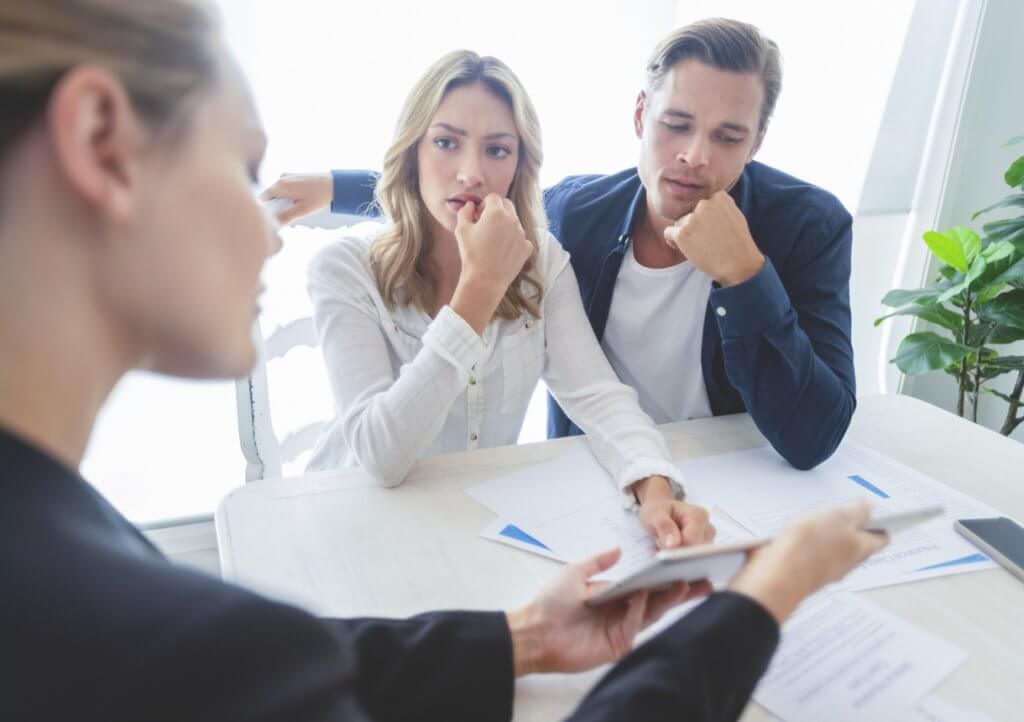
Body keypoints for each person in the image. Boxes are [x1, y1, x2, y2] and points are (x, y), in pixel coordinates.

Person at [0, 2, 887, 720]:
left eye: (727, 136)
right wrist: (760, 601)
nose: (266, 227)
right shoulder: (158, 626)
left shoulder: (89, 557)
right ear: (98, 139)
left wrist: (532, 632)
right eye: (245, 167)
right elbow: (363, 489)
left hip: (511, 556)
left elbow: (598, 388)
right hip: (377, 531)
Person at [270, 18, 856, 472]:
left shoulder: (809, 227)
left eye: (728, 136)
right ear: (640, 115)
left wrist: (747, 275)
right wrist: (334, 187)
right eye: (677, 124)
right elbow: (469, 191)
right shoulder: (579, 213)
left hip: (734, 478)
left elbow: (814, 438)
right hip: (595, 477)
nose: (695, 155)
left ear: (757, 142)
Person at [291, 49, 711, 550]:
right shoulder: (345, 269)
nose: (471, 173)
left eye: (497, 150)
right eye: (446, 142)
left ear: (519, 164)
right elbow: (382, 458)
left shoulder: (541, 260)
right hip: (351, 522)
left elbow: (596, 395)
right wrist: (480, 289)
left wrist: (654, 487)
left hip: (473, 525)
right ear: (413, 152)